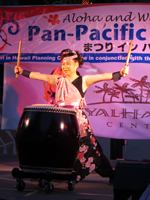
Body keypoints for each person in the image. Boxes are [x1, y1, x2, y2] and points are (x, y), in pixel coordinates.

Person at [14, 49, 129, 185]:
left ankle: (110, 174)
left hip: (77, 120)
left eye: (68, 63)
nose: (65, 66)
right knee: (57, 146)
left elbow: (103, 76)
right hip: (60, 119)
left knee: (90, 149)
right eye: (63, 64)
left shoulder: (84, 80)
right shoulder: (58, 80)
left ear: (76, 64)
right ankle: (47, 171)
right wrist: (22, 72)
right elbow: (39, 76)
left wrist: (120, 74)